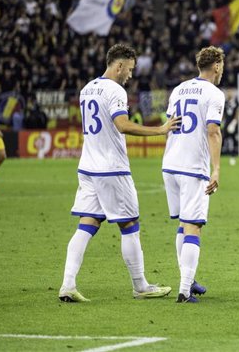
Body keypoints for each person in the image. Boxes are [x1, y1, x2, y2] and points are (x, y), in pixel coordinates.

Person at [59, 43, 181, 303]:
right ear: (118, 65)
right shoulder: (115, 90)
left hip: (88, 167)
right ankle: (140, 286)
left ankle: (67, 284)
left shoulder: (87, 88)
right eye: (129, 69)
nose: (131, 75)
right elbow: (122, 125)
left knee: (86, 224)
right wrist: (159, 130)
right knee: (129, 226)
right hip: (111, 169)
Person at [162, 46, 225, 303]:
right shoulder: (214, 93)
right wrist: (216, 168)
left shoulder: (178, 89)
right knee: (194, 226)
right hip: (192, 167)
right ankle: (185, 289)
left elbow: (170, 125)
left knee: (183, 224)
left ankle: (187, 279)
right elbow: (213, 131)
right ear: (217, 66)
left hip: (170, 163)